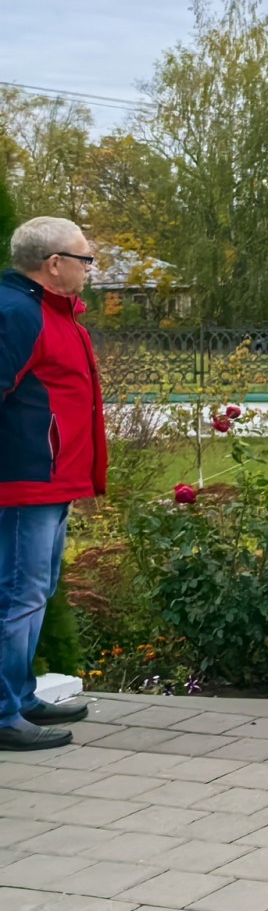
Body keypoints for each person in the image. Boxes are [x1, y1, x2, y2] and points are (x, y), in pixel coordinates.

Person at [0, 217, 106, 750]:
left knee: (32, 592)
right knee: (18, 595)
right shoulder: (17, 313)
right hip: (22, 484)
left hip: (52, 482)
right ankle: (2, 713)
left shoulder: (53, 314)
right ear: (54, 264)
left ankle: (19, 698)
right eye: (84, 259)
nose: (90, 269)